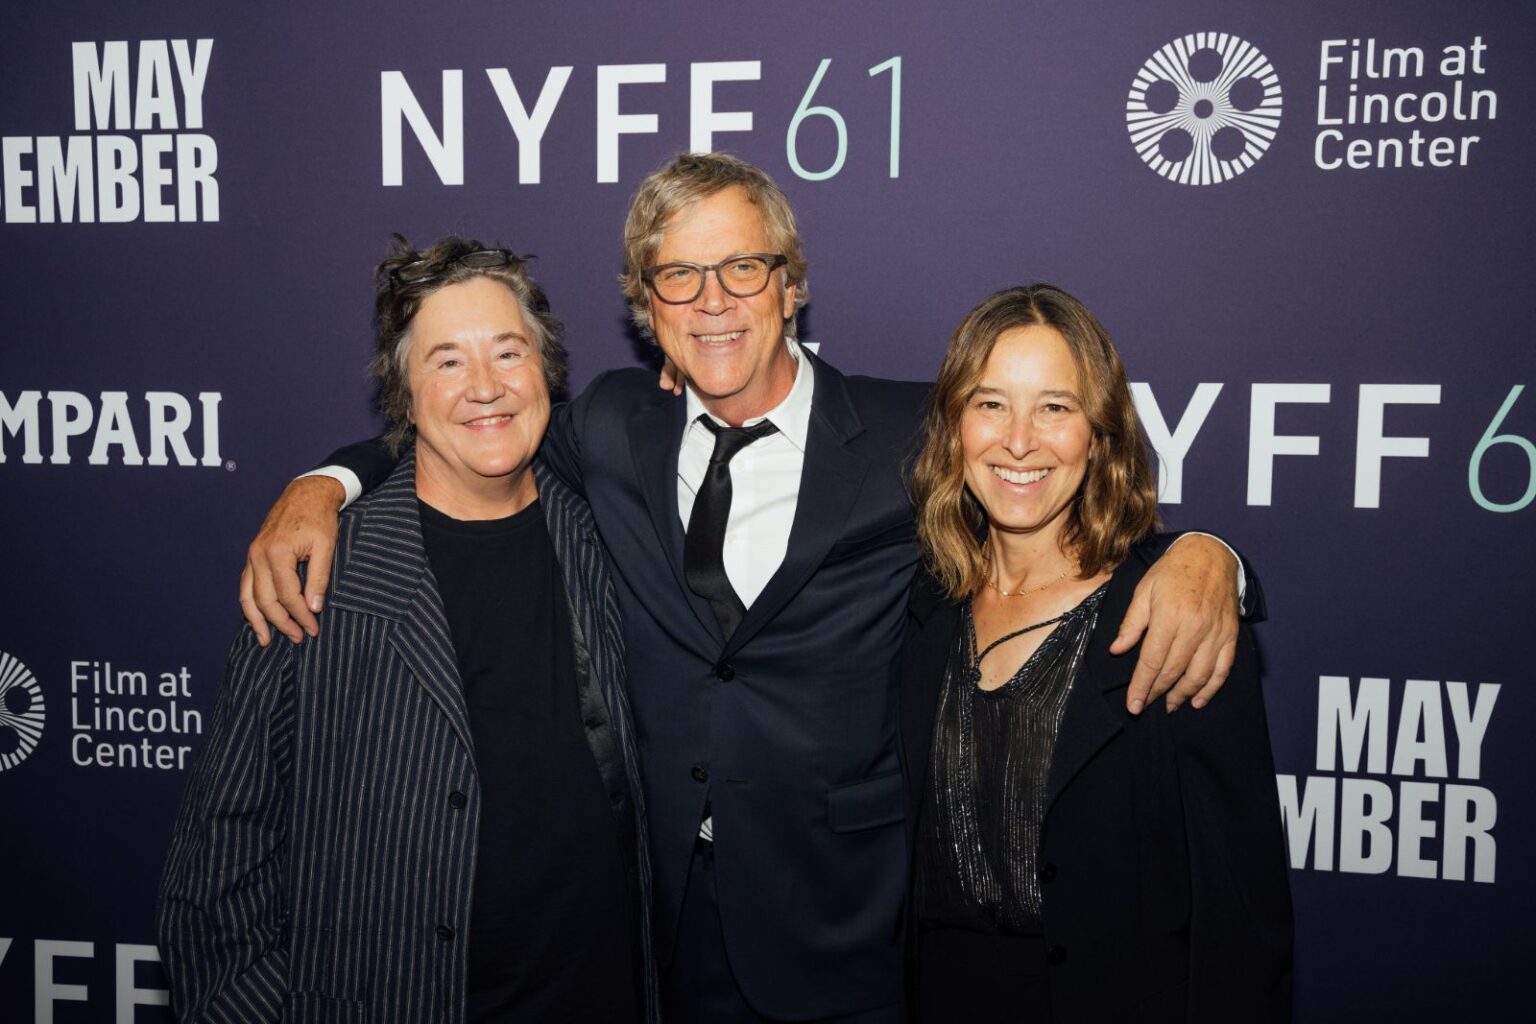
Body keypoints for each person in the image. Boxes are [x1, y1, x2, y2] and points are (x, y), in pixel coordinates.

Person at [235, 154, 1252, 1023]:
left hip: (847, 936)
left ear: (790, 285)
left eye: (741, 268)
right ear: (645, 305)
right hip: (659, 942)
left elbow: (1043, 480)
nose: (712, 302)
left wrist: (1208, 556)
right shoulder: (613, 426)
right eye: (679, 276)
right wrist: (326, 483)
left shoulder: (906, 435)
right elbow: (474, 423)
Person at [158, 237, 655, 1023]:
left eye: (508, 352)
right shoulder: (317, 572)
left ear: (547, 371)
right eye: (447, 361)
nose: (486, 387)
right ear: (405, 392)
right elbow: (220, 862)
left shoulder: (608, 530)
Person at [899, 285, 1292, 1022]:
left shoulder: (1175, 615)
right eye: (991, 404)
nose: (1020, 440)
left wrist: (1214, 556)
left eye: (1055, 407)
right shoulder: (917, 601)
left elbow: (1242, 909)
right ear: (954, 426)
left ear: (1100, 434)